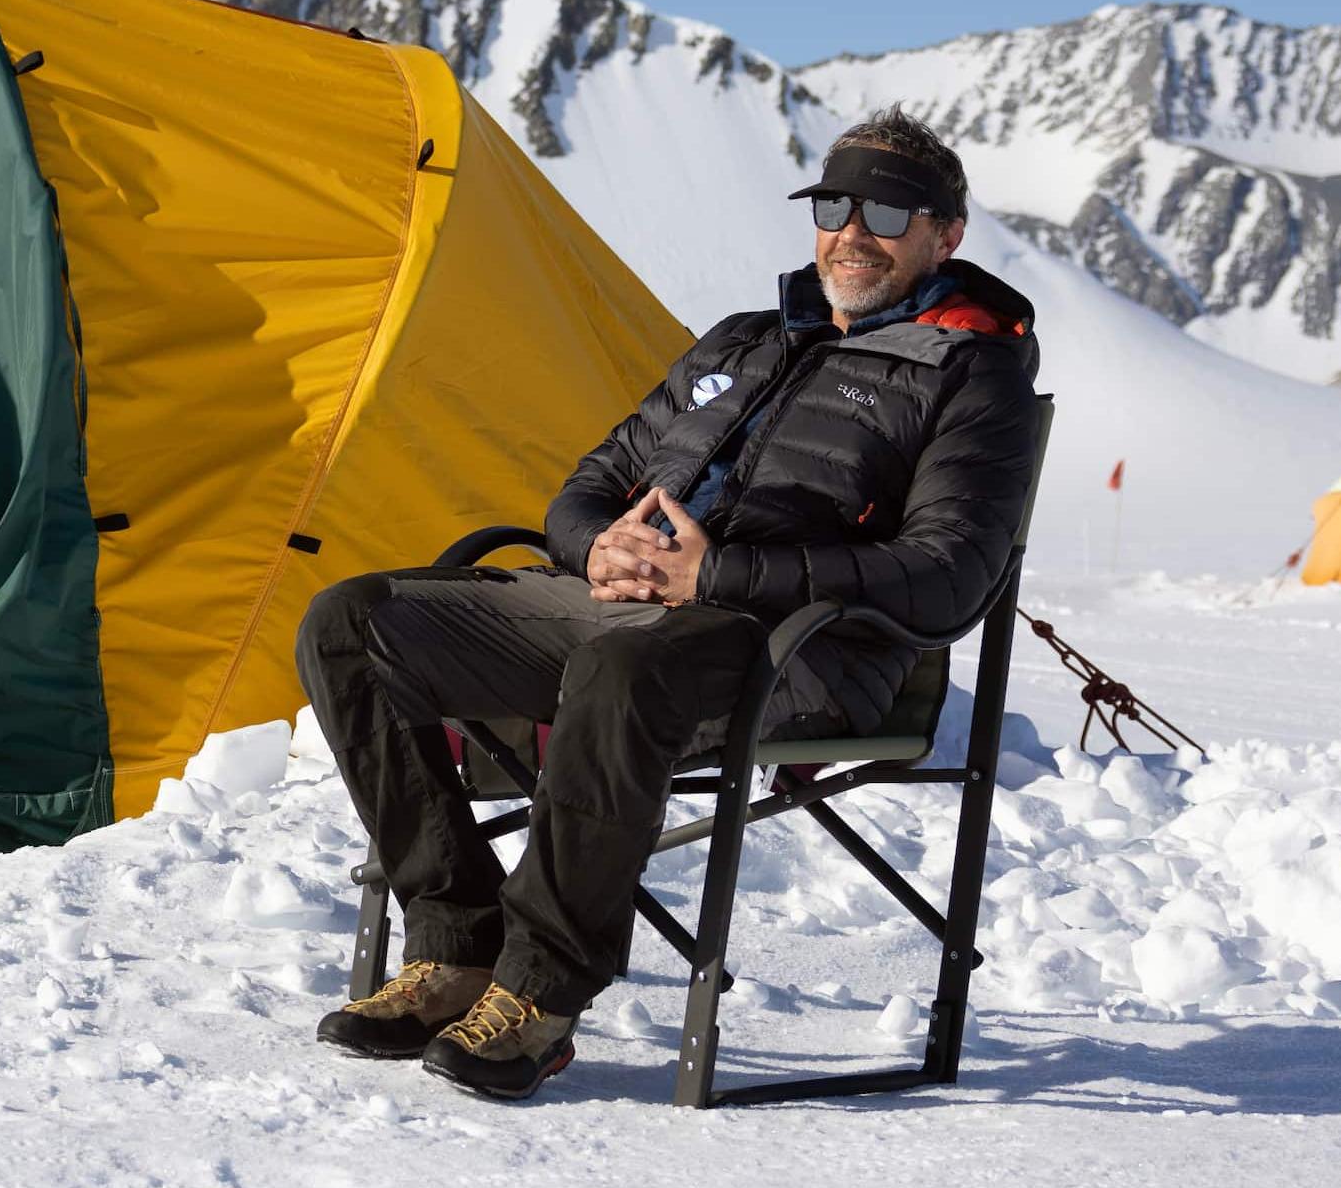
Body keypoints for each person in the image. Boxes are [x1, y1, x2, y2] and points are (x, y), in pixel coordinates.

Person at [296, 109, 1041, 1100]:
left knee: (618, 671)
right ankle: (456, 943)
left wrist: (717, 576)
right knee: (352, 623)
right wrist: (589, 543)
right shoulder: (741, 339)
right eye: (833, 204)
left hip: (794, 649)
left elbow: (947, 572)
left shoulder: (971, 375)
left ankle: (539, 991)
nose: (852, 231)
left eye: (888, 211)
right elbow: (593, 478)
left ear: (944, 235)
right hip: (616, 613)